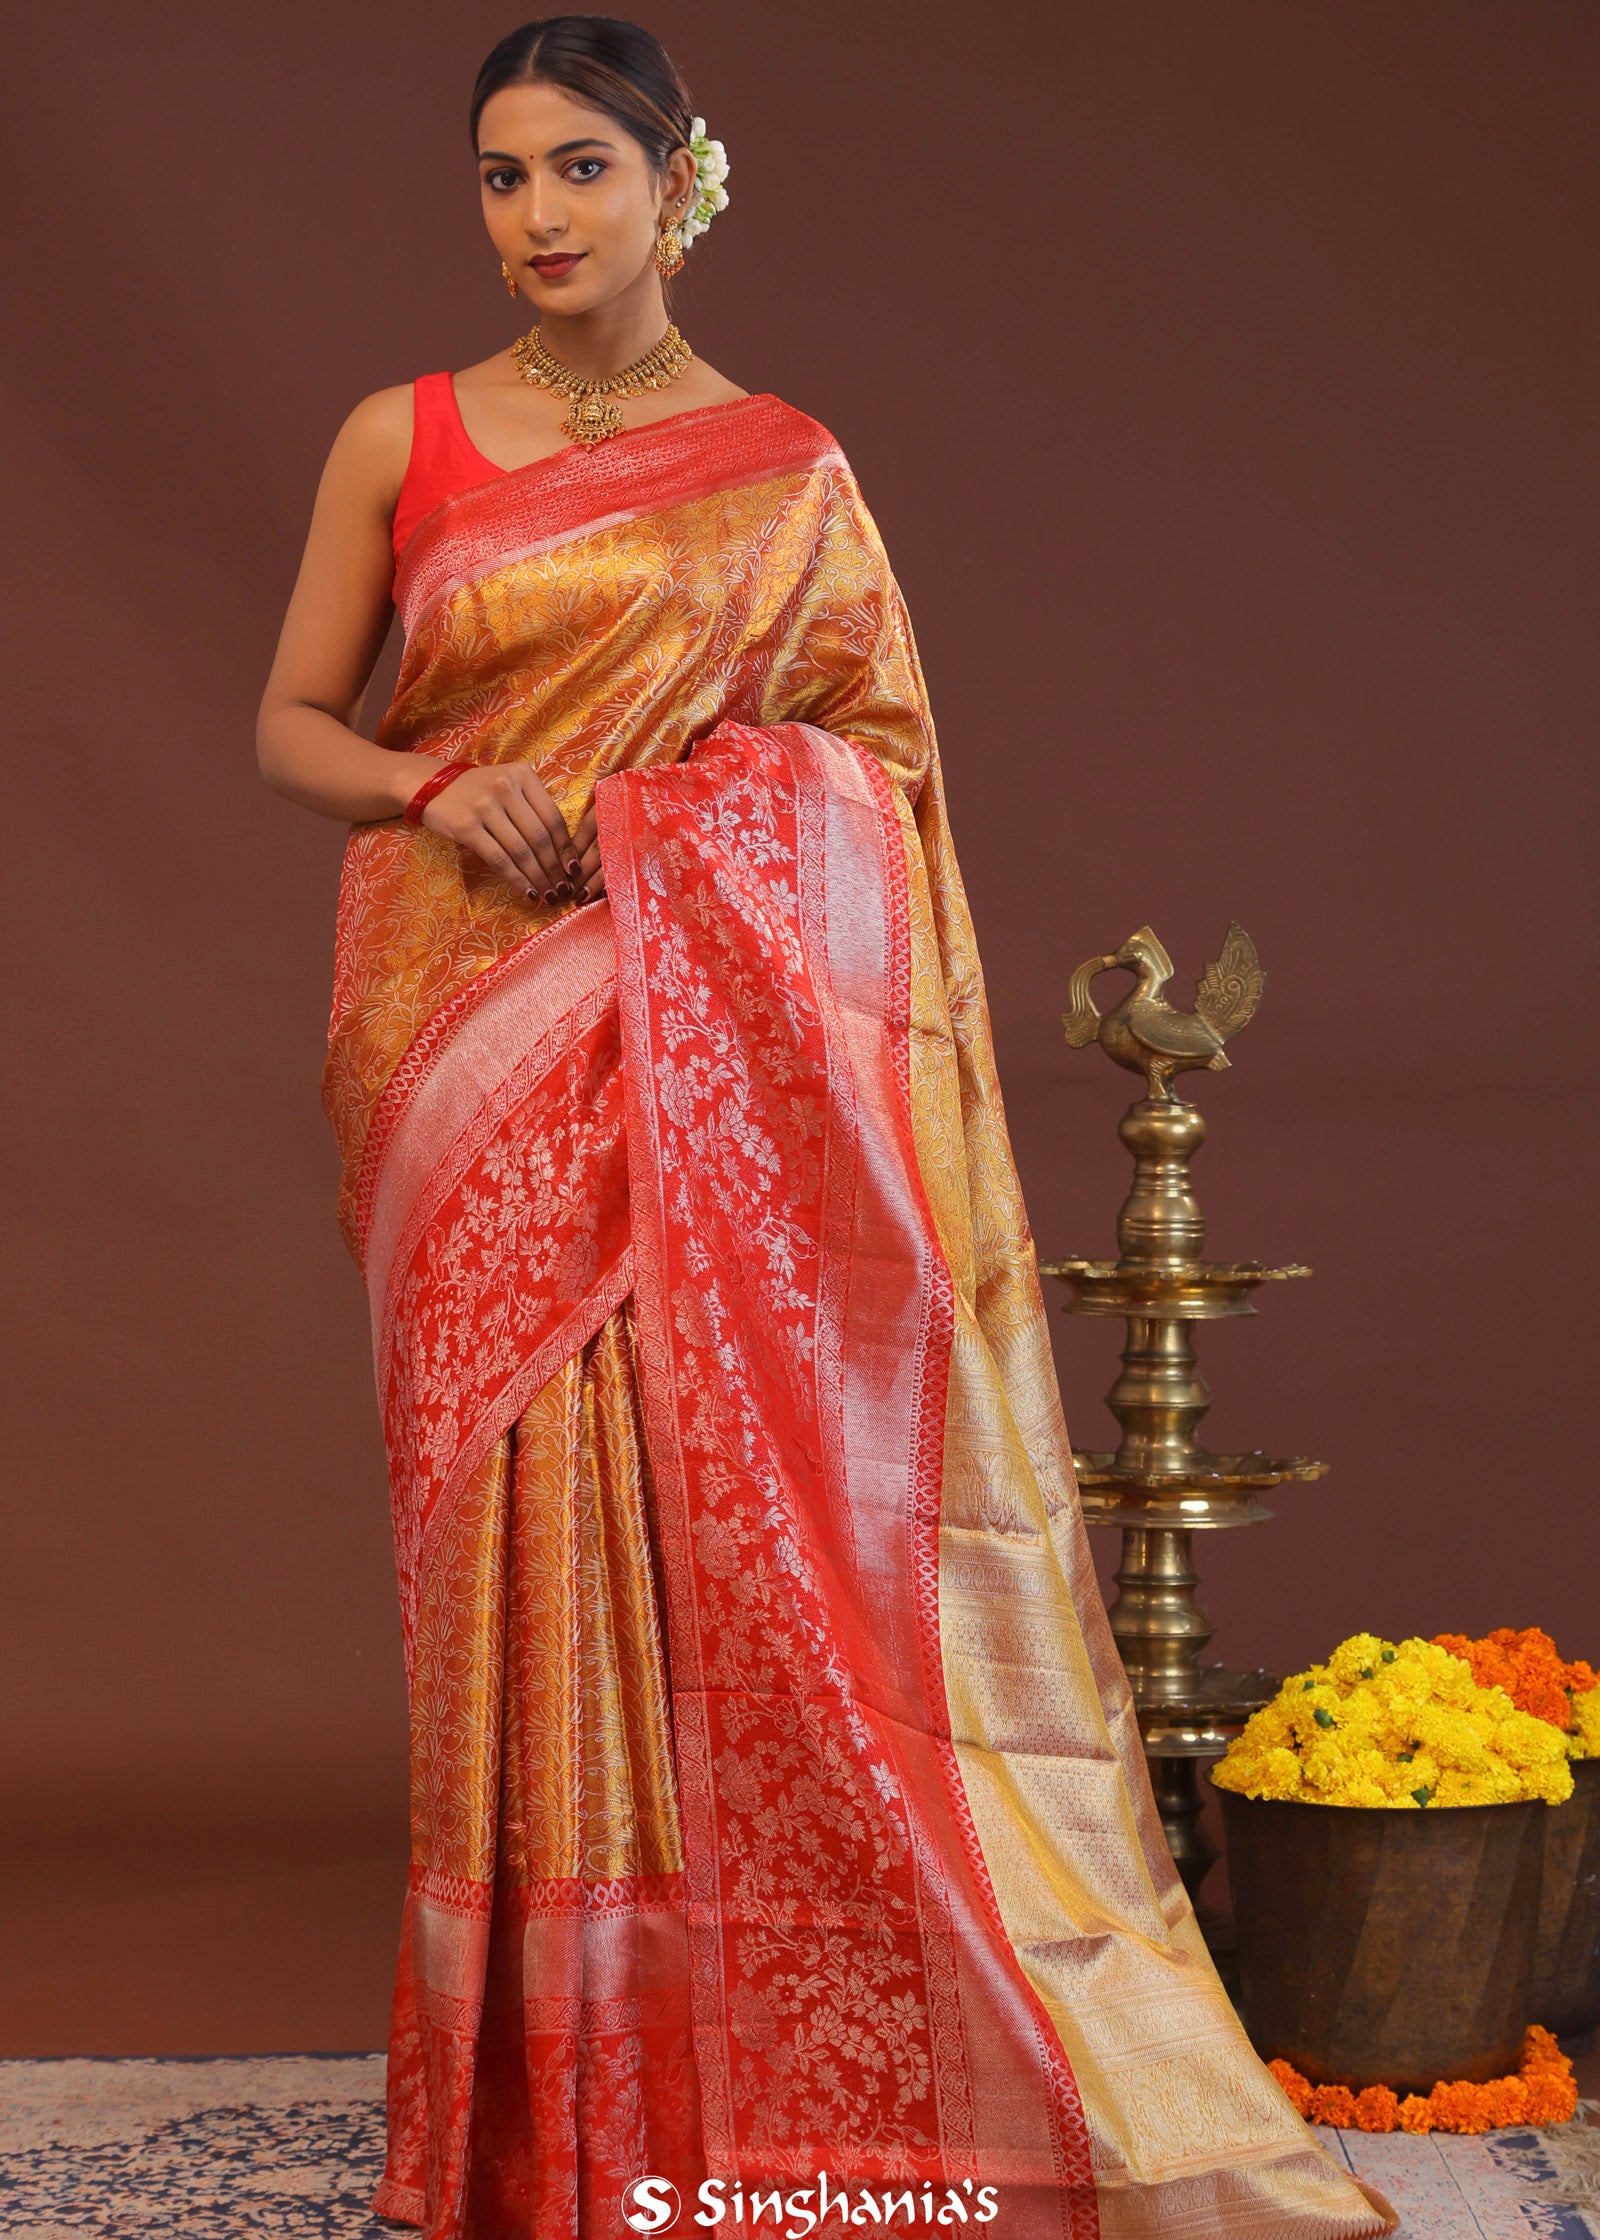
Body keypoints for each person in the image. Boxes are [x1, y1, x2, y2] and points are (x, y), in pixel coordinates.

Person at [257, 19, 1396, 2240]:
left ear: (679, 178)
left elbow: (876, 786)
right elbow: (291, 719)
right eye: (496, 178)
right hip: (459, 1052)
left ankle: (697, 2082)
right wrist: (428, 782)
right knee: (500, 1561)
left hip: (688, 1079)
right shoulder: (396, 439)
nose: (535, 217)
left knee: (694, 1544)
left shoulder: (782, 474)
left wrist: (660, 839)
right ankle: (518, 2118)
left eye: (579, 167)